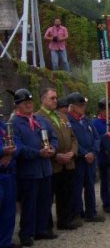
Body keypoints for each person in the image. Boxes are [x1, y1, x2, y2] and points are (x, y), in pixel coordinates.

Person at [12, 88, 58, 246]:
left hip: (45, 168)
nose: (28, 105)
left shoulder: (40, 120)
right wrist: (37, 153)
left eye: (30, 102)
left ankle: (41, 230)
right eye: (25, 103)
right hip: (29, 171)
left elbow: (53, 137)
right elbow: (18, 148)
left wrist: (52, 147)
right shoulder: (15, 124)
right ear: (18, 105)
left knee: (45, 201)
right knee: (29, 204)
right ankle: (26, 233)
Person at [36, 88, 79, 231]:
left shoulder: (62, 116)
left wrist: (72, 152)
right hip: (53, 164)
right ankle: (46, 225)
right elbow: (40, 142)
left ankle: (64, 220)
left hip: (68, 163)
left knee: (66, 194)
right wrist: (56, 155)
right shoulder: (38, 118)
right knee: (48, 196)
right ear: (42, 99)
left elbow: (73, 137)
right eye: (52, 98)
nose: (55, 100)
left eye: (56, 98)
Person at [67, 92, 105, 222]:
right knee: (77, 187)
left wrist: (93, 152)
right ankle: (78, 212)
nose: (83, 108)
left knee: (90, 186)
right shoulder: (67, 121)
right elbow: (72, 140)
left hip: (90, 158)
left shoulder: (86, 119)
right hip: (78, 159)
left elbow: (96, 137)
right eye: (80, 106)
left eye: (83, 105)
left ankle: (91, 212)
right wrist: (84, 153)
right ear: (72, 107)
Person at [0, 118, 20, 248]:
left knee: (8, 209)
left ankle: (5, 241)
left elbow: (16, 141)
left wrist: (12, 152)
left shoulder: (3, 125)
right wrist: (2, 152)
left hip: (9, 172)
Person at [92, 98, 110, 214]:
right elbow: (94, 139)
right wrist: (104, 138)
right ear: (101, 110)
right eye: (107, 109)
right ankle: (107, 202)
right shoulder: (95, 123)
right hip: (103, 156)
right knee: (105, 180)